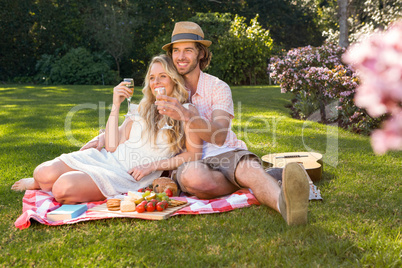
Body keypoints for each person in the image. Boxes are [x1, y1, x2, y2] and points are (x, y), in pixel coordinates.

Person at [81, 22, 310, 226]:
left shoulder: (217, 87)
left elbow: (220, 135)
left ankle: (286, 208)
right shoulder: (165, 83)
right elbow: (139, 120)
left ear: (201, 53)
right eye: (176, 51)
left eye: (188, 50)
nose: (181, 56)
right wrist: (103, 136)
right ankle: (266, 177)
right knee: (193, 178)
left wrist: (187, 115)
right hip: (191, 161)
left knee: (247, 170)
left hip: (225, 152)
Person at [11, 54, 202, 204]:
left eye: (163, 76)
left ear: (174, 79)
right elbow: (111, 146)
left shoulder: (186, 111)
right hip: (108, 159)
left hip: (127, 175)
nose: (156, 82)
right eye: (152, 77)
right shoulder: (142, 108)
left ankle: (58, 184)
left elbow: (193, 154)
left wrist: (152, 166)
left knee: (62, 188)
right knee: (42, 172)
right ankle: (41, 183)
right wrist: (116, 105)